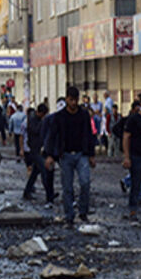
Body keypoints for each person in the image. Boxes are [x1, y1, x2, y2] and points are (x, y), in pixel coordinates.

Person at [44, 86, 96, 226]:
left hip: (81, 154)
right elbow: (52, 136)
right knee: (67, 187)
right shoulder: (59, 116)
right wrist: (50, 155)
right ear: (67, 99)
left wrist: (91, 154)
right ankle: (69, 216)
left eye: (75, 100)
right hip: (65, 155)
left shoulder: (83, 115)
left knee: (85, 182)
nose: (73, 103)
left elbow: (89, 134)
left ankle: (83, 211)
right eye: (71, 100)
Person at [23, 102, 55, 203]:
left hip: (38, 149)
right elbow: (35, 131)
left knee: (34, 173)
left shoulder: (36, 119)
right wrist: (42, 122)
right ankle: (49, 194)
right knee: (44, 171)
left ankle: (27, 191)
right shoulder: (32, 119)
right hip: (34, 150)